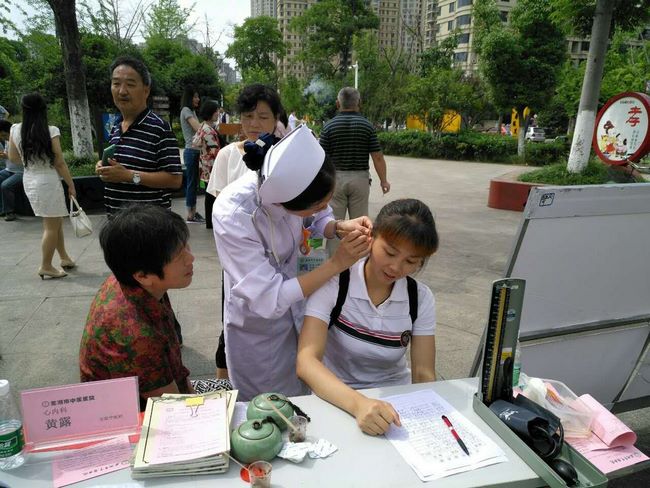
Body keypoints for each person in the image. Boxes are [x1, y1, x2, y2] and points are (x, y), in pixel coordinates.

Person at [212, 125, 373, 401]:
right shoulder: (234, 214)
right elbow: (269, 298)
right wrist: (337, 263)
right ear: (286, 202)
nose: (324, 208)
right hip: (259, 328)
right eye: (317, 204)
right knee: (268, 407)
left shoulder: (296, 187)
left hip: (299, 306)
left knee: (304, 395)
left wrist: (337, 226)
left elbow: (314, 216)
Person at [297, 198, 438, 435]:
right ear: (371, 237)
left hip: (395, 408)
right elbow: (306, 362)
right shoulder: (335, 284)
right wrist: (359, 404)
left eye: (410, 261)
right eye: (390, 252)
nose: (395, 267)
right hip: (336, 398)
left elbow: (424, 372)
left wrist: (428, 416)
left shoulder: (420, 298)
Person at [79, 205, 230, 410]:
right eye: (179, 256)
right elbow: (172, 406)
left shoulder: (133, 280)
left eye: (187, 246)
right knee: (240, 398)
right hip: (138, 418)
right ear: (143, 275)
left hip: (160, 388)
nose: (191, 258)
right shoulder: (135, 334)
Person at [206, 84, 285, 380]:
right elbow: (216, 206)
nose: (254, 124)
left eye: (263, 117)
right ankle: (225, 384)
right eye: (248, 116)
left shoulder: (283, 154)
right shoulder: (228, 155)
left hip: (281, 256)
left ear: (276, 118)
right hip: (240, 259)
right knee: (232, 321)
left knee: (278, 320)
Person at [95, 56, 182, 215]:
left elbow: (175, 180)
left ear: (146, 90)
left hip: (150, 226)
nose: (122, 91)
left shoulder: (159, 128)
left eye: (130, 84)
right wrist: (104, 167)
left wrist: (129, 176)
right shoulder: (116, 126)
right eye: (116, 84)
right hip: (116, 222)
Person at [6, 93, 76, 278]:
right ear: (43, 109)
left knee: (55, 220)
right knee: (51, 226)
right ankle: (46, 265)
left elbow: (13, 158)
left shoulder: (15, 130)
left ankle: (64, 257)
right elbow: (59, 162)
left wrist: (31, 158)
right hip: (47, 180)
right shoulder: (50, 130)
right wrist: (71, 184)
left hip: (30, 178)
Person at [319, 87, 390, 255]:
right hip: (360, 179)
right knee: (361, 224)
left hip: (335, 181)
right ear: (359, 103)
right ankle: (360, 262)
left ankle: (335, 264)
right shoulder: (367, 126)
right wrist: (384, 180)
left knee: (335, 223)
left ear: (338, 104)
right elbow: (377, 157)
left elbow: (321, 159)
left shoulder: (328, 127)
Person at [192, 99, 221, 229]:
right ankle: (211, 221)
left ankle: (210, 221)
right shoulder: (209, 130)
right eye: (216, 111)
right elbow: (215, 150)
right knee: (212, 194)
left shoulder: (203, 127)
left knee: (209, 193)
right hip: (212, 165)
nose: (218, 113)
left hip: (205, 164)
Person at [180, 85, 204, 223]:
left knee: (194, 183)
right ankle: (190, 214)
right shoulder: (186, 110)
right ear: (189, 97)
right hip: (191, 152)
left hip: (194, 152)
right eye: (195, 96)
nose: (198, 99)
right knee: (191, 183)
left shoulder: (191, 111)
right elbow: (198, 128)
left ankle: (193, 212)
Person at [0, 120, 24, 222]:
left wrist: (8, 156)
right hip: (9, 169)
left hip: (21, 172)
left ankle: (9, 212)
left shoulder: (20, 140)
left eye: (4, 135)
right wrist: (3, 155)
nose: (3, 138)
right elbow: (7, 154)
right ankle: (2, 209)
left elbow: (22, 158)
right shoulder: (7, 140)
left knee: (6, 185)